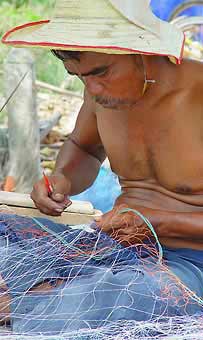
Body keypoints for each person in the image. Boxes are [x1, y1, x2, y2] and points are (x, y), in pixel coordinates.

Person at [1, 0, 203, 335]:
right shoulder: (100, 94)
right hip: (117, 242)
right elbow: (84, 148)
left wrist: (154, 222)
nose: (91, 89)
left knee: (115, 296)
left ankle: (25, 302)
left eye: (100, 73)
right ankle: (41, 295)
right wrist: (62, 179)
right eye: (78, 76)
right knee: (7, 229)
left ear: (141, 50)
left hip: (191, 262)